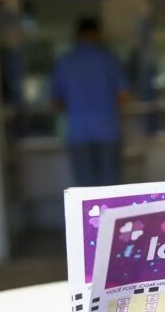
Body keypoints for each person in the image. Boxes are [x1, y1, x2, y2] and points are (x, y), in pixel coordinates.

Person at [52, 17, 129, 187]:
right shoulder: (110, 60)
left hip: (78, 133)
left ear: (77, 35)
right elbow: (123, 97)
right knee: (110, 187)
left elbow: (56, 103)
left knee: (84, 188)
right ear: (97, 34)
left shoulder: (65, 62)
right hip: (108, 131)